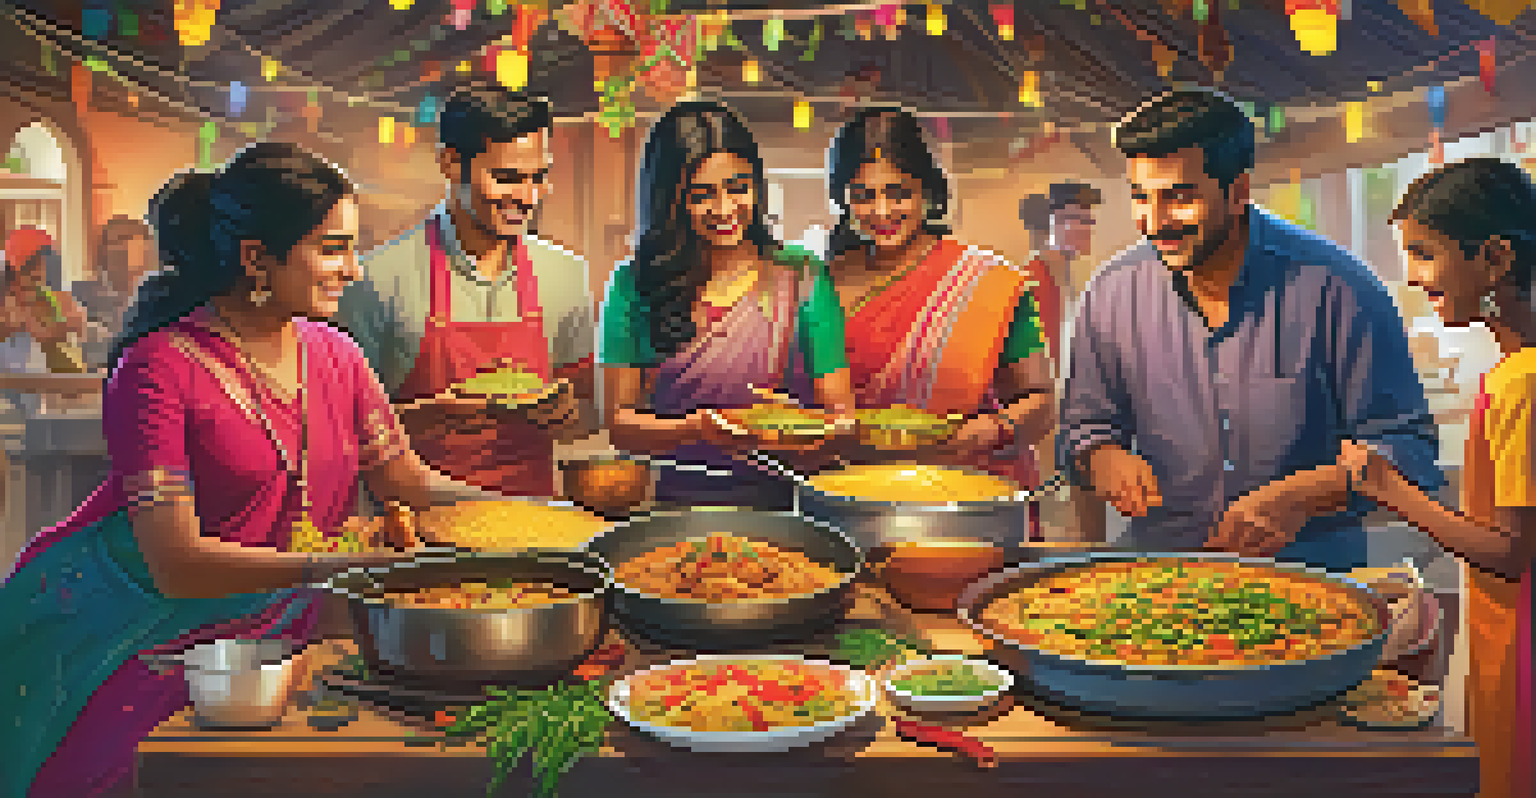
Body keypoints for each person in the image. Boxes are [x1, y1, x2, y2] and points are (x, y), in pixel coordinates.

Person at [0, 142, 505, 798]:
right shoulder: (158, 369)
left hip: (294, 616)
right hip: (142, 631)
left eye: (355, 248)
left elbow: (405, 481)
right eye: (333, 248)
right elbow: (176, 565)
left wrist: (530, 521)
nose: (353, 270)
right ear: (255, 259)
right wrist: (338, 572)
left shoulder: (338, 355)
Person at [1059, 88, 1442, 571]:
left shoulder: (1337, 287)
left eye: (1179, 197)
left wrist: (1300, 496)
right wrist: (1101, 457)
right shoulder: (1112, 292)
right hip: (1159, 582)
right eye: (1141, 197)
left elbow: (1409, 450)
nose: (1155, 224)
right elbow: (1081, 430)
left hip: (1313, 584)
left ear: (1238, 191)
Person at [1337, 157, 1536, 798]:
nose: (1414, 276)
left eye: (1425, 254)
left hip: (1520, 642)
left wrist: (1389, 490)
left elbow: (1509, 552)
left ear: (1496, 258)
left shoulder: (1521, 382)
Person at [337, 84, 594, 500]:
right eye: (507, 178)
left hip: (532, 524)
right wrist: (434, 416)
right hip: (418, 531)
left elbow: (588, 411)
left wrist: (568, 413)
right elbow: (338, 430)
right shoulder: (375, 279)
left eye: (539, 177)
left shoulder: (565, 275)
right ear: (450, 162)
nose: (527, 198)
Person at [599, 100, 854, 508]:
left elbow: (843, 423)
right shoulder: (635, 283)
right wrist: (696, 428)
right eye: (702, 195)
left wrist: (795, 423)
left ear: (757, 184)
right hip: (668, 505)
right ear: (670, 200)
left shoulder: (802, 278)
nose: (724, 209)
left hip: (784, 505)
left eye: (738, 188)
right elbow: (619, 425)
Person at [823, 107, 1055, 503]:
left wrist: (991, 431)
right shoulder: (819, 283)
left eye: (898, 193)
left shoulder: (986, 281)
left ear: (927, 191)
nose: (882, 212)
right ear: (842, 199)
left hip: (968, 496)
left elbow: (1041, 401)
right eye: (864, 196)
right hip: (854, 497)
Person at [1018, 180, 1102, 365]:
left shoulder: (1065, 276)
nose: (1085, 229)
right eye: (1074, 220)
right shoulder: (1032, 280)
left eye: (1088, 221)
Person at [1, 226, 89, 378]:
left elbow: (70, 335)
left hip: (46, 382)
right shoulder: (7, 301)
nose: (37, 272)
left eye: (41, 263)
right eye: (30, 265)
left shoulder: (50, 297)